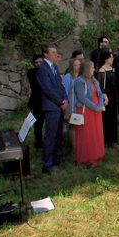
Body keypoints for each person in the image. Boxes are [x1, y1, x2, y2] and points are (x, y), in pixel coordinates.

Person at [36, 43, 68, 174]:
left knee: (58, 134)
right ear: (45, 54)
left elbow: (60, 86)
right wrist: (60, 101)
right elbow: (48, 89)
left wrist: (66, 99)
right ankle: (47, 164)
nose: (55, 54)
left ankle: (57, 157)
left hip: (59, 106)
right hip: (51, 107)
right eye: (53, 52)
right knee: (50, 135)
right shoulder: (42, 69)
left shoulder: (54, 67)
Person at [73, 60, 106, 167]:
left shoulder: (94, 80)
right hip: (86, 111)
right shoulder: (79, 81)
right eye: (92, 67)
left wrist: (100, 106)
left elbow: (100, 94)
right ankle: (88, 158)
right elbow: (82, 98)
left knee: (96, 133)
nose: (94, 70)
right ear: (87, 69)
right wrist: (95, 107)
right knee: (87, 134)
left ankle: (97, 154)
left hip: (96, 111)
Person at [97, 49, 118, 147]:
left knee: (114, 116)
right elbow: (101, 86)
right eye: (110, 57)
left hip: (114, 94)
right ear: (105, 59)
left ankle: (114, 139)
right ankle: (106, 140)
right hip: (107, 95)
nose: (112, 59)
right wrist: (105, 96)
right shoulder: (102, 70)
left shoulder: (113, 69)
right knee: (107, 118)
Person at [62, 57, 81, 152]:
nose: (78, 67)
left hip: (80, 105)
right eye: (75, 65)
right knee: (73, 126)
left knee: (79, 126)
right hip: (71, 106)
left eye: (79, 65)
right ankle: (74, 148)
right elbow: (64, 92)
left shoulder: (81, 77)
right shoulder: (68, 77)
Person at [27, 54, 45, 148]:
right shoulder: (32, 72)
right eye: (36, 62)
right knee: (38, 123)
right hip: (37, 101)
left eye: (40, 62)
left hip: (46, 101)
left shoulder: (47, 71)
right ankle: (38, 142)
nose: (38, 64)